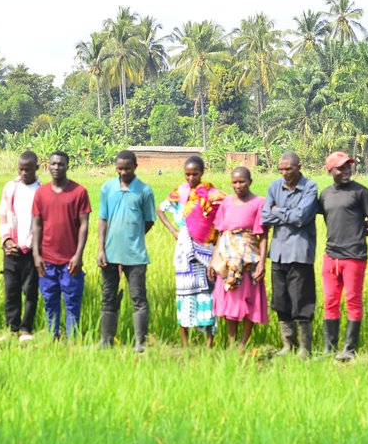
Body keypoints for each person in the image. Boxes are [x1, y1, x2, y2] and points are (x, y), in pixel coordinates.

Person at [158, 155, 224, 347]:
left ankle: (209, 342)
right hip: (184, 250)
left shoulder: (211, 194)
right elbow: (161, 209)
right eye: (187, 174)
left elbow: (223, 215)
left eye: (195, 174)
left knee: (207, 294)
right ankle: (185, 343)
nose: (191, 178)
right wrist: (173, 231)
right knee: (185, 294)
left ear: (202, 173)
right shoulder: (180, 192)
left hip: (206, 250)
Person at [318, 151, 368, 361]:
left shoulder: (361, 192)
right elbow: (328, 219)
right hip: (331, 256)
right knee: (330, 301)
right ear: (330, 170)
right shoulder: (325, 195)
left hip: (354, 256)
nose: (346, 171)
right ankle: (329, 349)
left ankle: (349, 350)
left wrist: (363, 230)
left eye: (349, 167)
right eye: (341, 168)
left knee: (353, 300)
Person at [97, 150, 156, 352]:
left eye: (127, 168)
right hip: (110, 252)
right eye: (120, 169)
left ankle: (140, 342)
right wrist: (100, 249)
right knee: (108, 296)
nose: (123, 172)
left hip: (135, 255)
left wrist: (133, 236)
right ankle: (106, 341)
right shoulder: (107, 188)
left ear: (135, 167)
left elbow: (148, 221)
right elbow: (103, 219)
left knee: (138, 298)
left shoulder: (144, 191)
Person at [261, 151, 318, 358]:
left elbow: (302, 217)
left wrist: (278, 211)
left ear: (299, 167)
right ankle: (288, 345)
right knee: (280, 300)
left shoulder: (310, 187)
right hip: (277, 253)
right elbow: (265, 216)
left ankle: (305, 347)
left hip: (300, 252)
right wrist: (285, 214)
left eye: (289, 169)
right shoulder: (274, 186)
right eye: (281, 169)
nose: (285, 173)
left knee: (302, 300)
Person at [32, 151, 91, 341]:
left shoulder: (79, 192)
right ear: (47, 166)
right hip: (47, 260)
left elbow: (84, 225)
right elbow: (37, 225)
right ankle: (53, 336)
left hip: (70, 260)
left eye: (61, 164)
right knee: (50, 300)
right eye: (53, 164)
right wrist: (36, 254)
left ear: (68, 166)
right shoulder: (41, 193)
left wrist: (78, 255)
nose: (56, 168)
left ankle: (72, 338)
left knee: (72, 301)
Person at [210, 167, 268, 350]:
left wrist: (262, 263)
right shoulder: (226, 202)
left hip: (249, 258)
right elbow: (220, 233)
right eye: (234, 182)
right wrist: (214, 261)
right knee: (230, 301)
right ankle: (231, 343)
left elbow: (263, 235)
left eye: (242, 181)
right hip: (227, 260)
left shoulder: (259, 202)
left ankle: (243, 345)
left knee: (249, 300)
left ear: (250, 181)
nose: (238, 185)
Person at [0, 151, 41, 340]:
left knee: (30, 291)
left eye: (28, 169)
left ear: (37, 169)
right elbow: (3, 215)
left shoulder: (42, 191)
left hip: (32, 250)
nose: (24, 173)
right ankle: (12, 328)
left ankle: (26, 328)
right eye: (21, 169)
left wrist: (31, 244)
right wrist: (6, 240)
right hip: (11, 249)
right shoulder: (10, 188)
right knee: (11, 290)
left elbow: (42, 223)